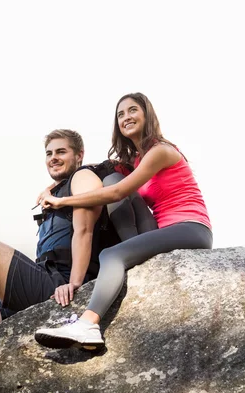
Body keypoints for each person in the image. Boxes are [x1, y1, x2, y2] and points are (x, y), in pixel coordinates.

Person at [34, 92, 213, 351]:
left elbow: (117, 195)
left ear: (146, 114)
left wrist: (62, 201)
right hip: (164, 228)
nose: (126, 117)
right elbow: (105, 170)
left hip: (190, 228)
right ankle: (133, 259)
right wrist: (59, 183)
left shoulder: (161, 152)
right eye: (120, 114)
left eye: (132, 110)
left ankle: (88, 324)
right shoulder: (137, 160)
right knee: (112, 177)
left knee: (112, 255)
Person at [0, 129, 119, 353]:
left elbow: (84, 231)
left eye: (61, 151)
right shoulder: (55, 192)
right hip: (44, 278)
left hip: (60, 285)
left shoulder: (83, 177)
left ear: (79, 155)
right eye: (49, 154)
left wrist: (74, 283)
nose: (53, 158)